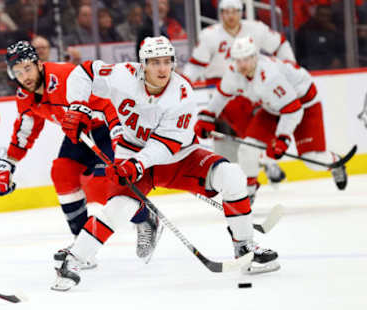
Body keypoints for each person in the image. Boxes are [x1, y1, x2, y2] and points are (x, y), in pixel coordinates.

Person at [52, 36, 280, 291]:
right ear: (143, 64)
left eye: (167, 62)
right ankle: (73, 261)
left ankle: (245, 246)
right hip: (133, 154)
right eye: (155, 62)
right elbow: (83, 73)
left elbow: (166, 145)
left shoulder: (181, 93)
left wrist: (136, 164)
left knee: (232, 175)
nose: (163, 69)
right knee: (119, 209)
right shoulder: (123, 75)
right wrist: (77, 107)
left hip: (179, 157)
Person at [0, 40, 156, 268]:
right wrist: (8, 163)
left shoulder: (65, 77)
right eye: (17, 72)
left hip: (108, 127)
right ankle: (82, 246)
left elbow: (108, 103)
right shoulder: (24, 95)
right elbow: (25, 132)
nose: (24, 76)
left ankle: (145, 218)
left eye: (27, 68)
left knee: (106, 186)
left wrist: (120, 138)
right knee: (62, 173)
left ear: (39, 64)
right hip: (79, 132)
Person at [194, 36, 348, 197]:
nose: (242, 65)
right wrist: (207, 117)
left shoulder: (270, 76)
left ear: (255, 57)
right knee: (248, 148)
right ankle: (248, 193)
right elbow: (221, 96)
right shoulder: (234, 72)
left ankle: (335, 163)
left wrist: (282, 139)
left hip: (304, 105)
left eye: (246, 59)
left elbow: (293, 110)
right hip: (272, 107)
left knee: (312, 160)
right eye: (238, 60)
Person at [183, 0, 296, 199]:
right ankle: (267, 164)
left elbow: (281, 43)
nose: (230, 16)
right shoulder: (210, 35)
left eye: (234, 11)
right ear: (220, 14)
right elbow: (196, 65)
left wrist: (288, 67)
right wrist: (182, 86)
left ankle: (265, 162)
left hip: (254, 84)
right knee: (249, 128)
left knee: (264, 121)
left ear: (241, 12)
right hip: (225, 88)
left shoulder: (256, 29)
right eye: (225, 12)